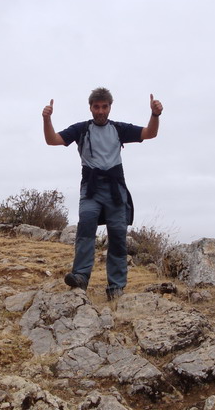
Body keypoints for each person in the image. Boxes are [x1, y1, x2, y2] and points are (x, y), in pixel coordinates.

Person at [42, 87, 163, 300]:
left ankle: (116, 287)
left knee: (118, 236)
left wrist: (155, 114)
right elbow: (52, 140)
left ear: (110, 107)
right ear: (90, 107)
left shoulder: (119, 129)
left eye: (104, 107)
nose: (100, 111)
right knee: (86, 227)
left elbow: (149, 133)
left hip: (116, 189)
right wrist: (47, 119)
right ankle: (80, 277)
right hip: (91, 189)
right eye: (96, 107)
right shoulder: (81, 129)